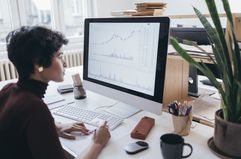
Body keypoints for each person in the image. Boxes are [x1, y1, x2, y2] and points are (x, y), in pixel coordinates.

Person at [0, 26, 110, 159]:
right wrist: (97, 143)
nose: (65, 63)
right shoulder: (35, 108)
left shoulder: (8, 90)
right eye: (59, 56)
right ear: (38, 63)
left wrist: (54, 128)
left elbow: (18, 130)